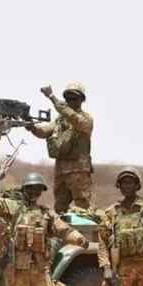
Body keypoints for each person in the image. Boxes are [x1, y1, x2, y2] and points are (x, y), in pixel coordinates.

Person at [25, 82, 94, 214]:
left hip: (78, 171)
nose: (70, 101)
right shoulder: (60, 120)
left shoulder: (85, 119)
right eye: (68, 98)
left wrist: (52, 97)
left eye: (74, 98)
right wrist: (32, 127)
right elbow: (44, 131)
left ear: (82, 100)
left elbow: (73, 117)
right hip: (61, 171)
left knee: (82, 208)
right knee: (60, 208)